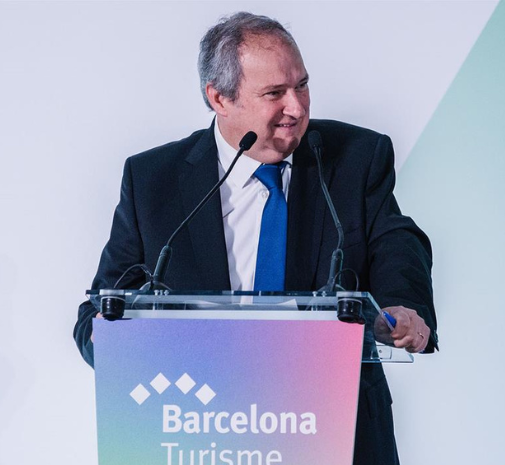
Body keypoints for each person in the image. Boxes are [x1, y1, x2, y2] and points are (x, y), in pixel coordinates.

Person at [73, 11, 437, 465]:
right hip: (202, 434)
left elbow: (395, 241)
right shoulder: (154, 182)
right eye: (275, 94)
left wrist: (404, 306)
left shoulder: (353, 159)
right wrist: (127, 350)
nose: (298, 108)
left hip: (336, 433)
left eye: (302, 85)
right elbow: (101, 313)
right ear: (219, 98)